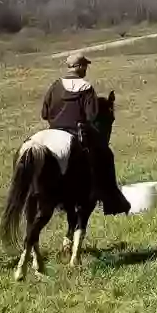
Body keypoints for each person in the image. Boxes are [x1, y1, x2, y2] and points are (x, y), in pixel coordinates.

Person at [41, 52, 125, 213]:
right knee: (106, 155)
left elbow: (44, 113)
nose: (86, 69)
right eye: (85, 66)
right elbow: (92, 116)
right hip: (76, 132)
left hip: (53, 132)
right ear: (79, 67)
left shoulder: (55, 86)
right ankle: (110, 200)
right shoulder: (86, 87)